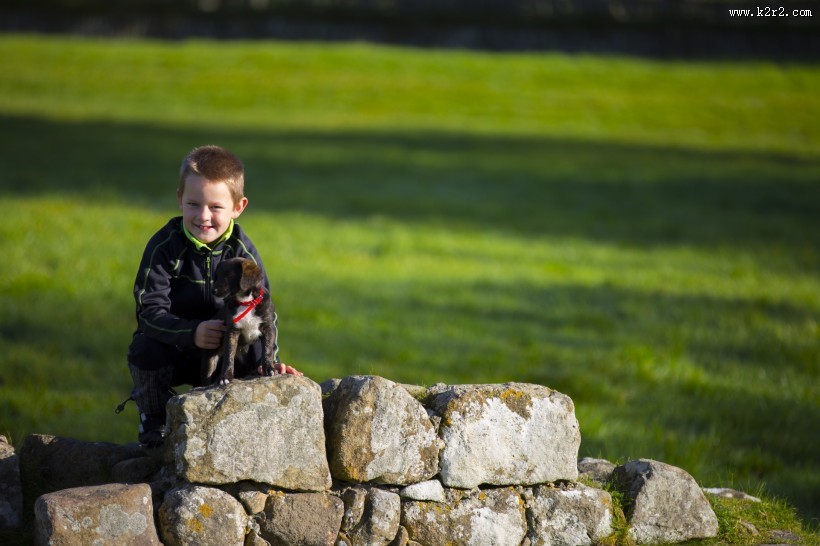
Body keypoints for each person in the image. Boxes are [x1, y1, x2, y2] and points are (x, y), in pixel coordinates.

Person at [124, 145, 301, 447]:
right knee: (144, 347)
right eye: (193, 204)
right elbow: (148, 311)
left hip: (229, 348)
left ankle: (245, 421)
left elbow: (264, 312)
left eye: (215, 207)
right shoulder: (164, 247)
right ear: (179, 199)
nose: (203, 216)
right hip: (178, 347)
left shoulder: (242, 252)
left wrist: (271, 360)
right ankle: (154, 418)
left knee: (259, 358)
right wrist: (192, 332)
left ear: (238, 207)